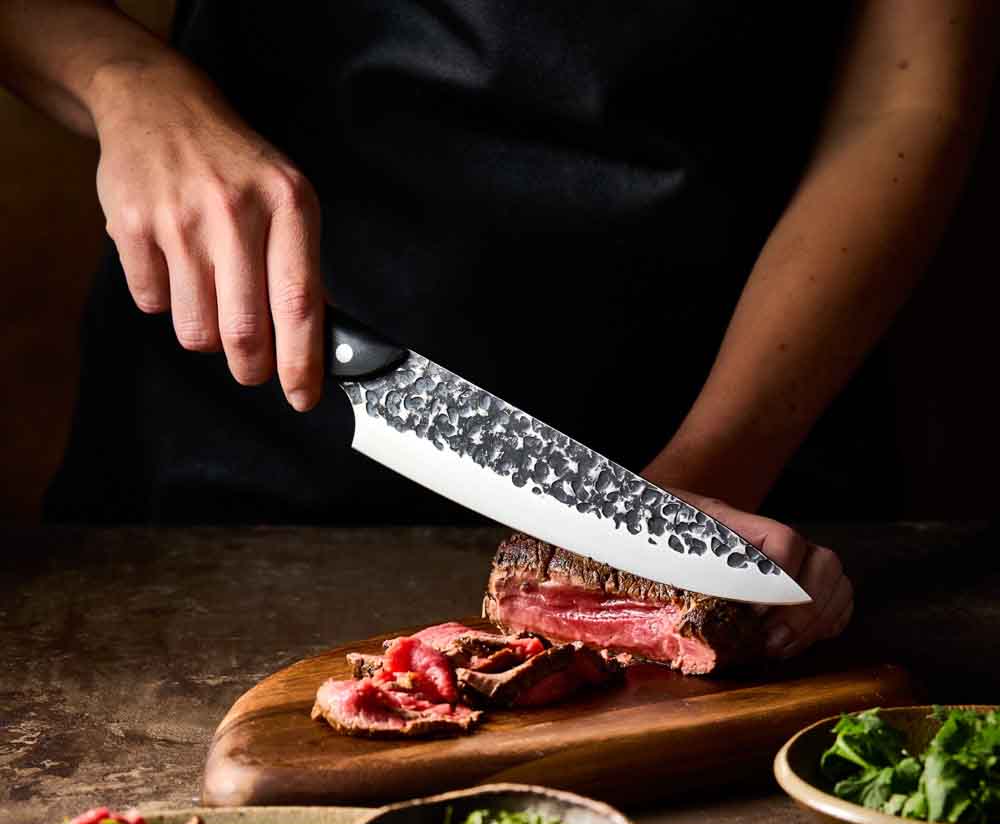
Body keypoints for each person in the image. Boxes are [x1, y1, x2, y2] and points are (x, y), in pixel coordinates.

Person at [0, 2, 995, 659]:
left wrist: (707, 472)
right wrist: (126, 77)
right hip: (229, 454)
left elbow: (908, 96)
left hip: (732, 396)